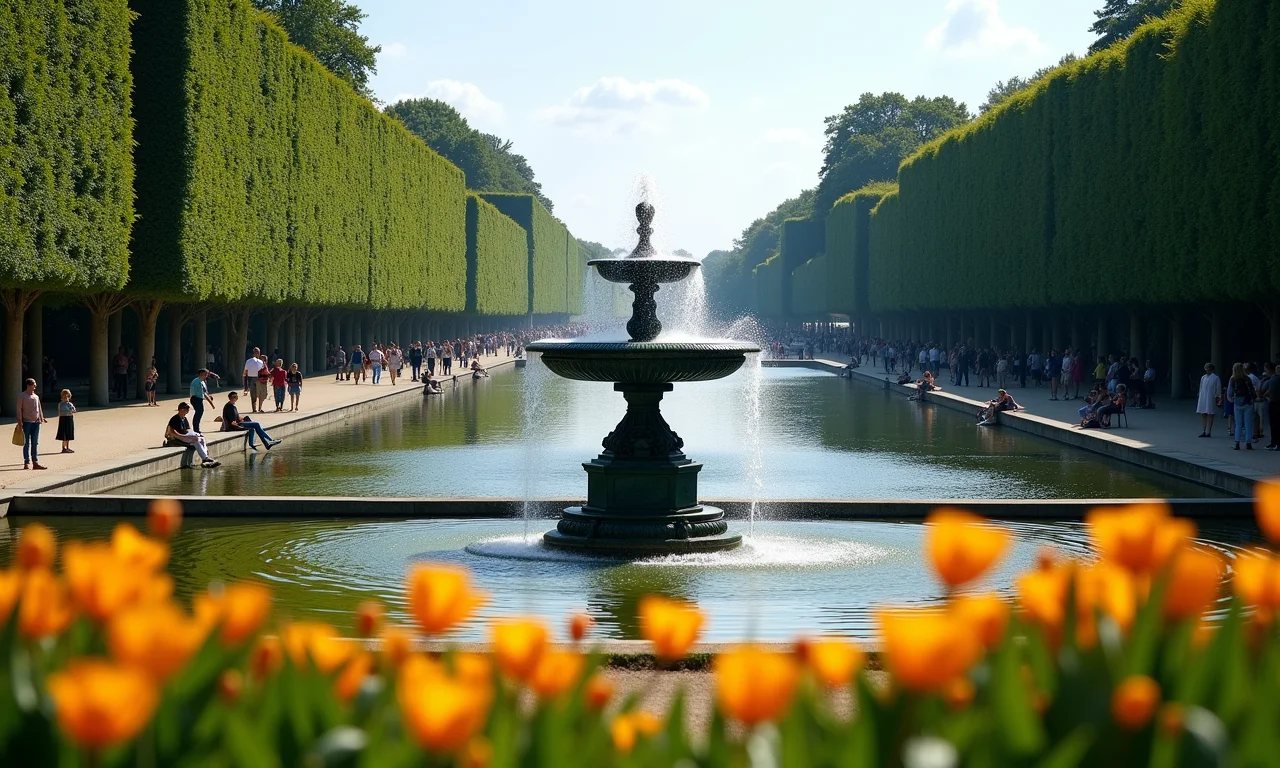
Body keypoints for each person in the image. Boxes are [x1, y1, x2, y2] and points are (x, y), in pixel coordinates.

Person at [166, 401, 219, 468]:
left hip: (185, 435)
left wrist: (193, 434)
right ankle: (205, 458)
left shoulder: (184, 418)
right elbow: (172, 431)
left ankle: (205, 458)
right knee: (195, 440)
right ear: (181, 410)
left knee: (201, 438)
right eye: (186, 410)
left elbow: (188, 429)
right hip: (178, 436)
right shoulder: (175, 419)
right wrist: (182, 436)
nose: (187, 411)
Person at [1227, 362, 1257, 450]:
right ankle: (1248, 443)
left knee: (1238, 424)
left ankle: (1237, 443)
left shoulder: (1232, 379)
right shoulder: (1247, 378)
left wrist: (1232, 399)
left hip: (1237, 402)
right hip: (1248, 402)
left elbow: (1229, 393)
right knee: (1248, 424)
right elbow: (1252, 390)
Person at [17, 378, 46, 470]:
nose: (35, 387)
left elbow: (39, 407)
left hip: (36, 423)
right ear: (29, 385)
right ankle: (26, 462)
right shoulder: (22, 396)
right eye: (34, 385)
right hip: (26, 422)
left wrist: (41, 417)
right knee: (26, 443)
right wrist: (20, 421)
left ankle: (35, 462)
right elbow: (19, 409)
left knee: (35, 443)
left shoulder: (36, 397)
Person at [1196, 363, 1221, 438]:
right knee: (1203, 413)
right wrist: (1200, 395)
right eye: (1206, 369)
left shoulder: (1216, 378)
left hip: (1211, 397)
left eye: (1208, 369)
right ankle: (1204, 430)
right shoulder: (1203, 377)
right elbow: (1201, 387)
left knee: (1210, 413)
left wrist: (1217, 397)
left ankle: (1208, 431)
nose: (1207, 370)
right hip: (1203, 397)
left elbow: (1218, 389)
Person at [189, 368, 216, 433]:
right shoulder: (197, 382)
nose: (206, 376)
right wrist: (212, 404)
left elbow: (206, 392)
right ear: (201, 374)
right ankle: (196, 429)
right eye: (206, 375)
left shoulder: (202, 381)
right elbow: (204, 394)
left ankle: (196, 429)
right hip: (195, 399)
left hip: (199, 399)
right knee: (198, 413)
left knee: (199, 413)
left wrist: (209, 397)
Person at [243, 347, 266, 413]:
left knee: (254, 394)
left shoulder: (248, 361)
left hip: (253, 378)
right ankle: (258, 408)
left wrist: (245, 385)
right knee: (259, 394)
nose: (257, 354)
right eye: (257, 352)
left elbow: (245, 372)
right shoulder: (261, 362)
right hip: (258, 378)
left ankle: (255, 408)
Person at [56, 389, 76, 454]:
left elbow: (73, 410)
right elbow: (64, 411)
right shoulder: (61, 404)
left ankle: (67, 447)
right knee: (64, 434)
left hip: (69, 418)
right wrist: (71, 410)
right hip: (63, 418)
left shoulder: (70, 404)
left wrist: (72, 410)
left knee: (68, 433)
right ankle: (64, 448)